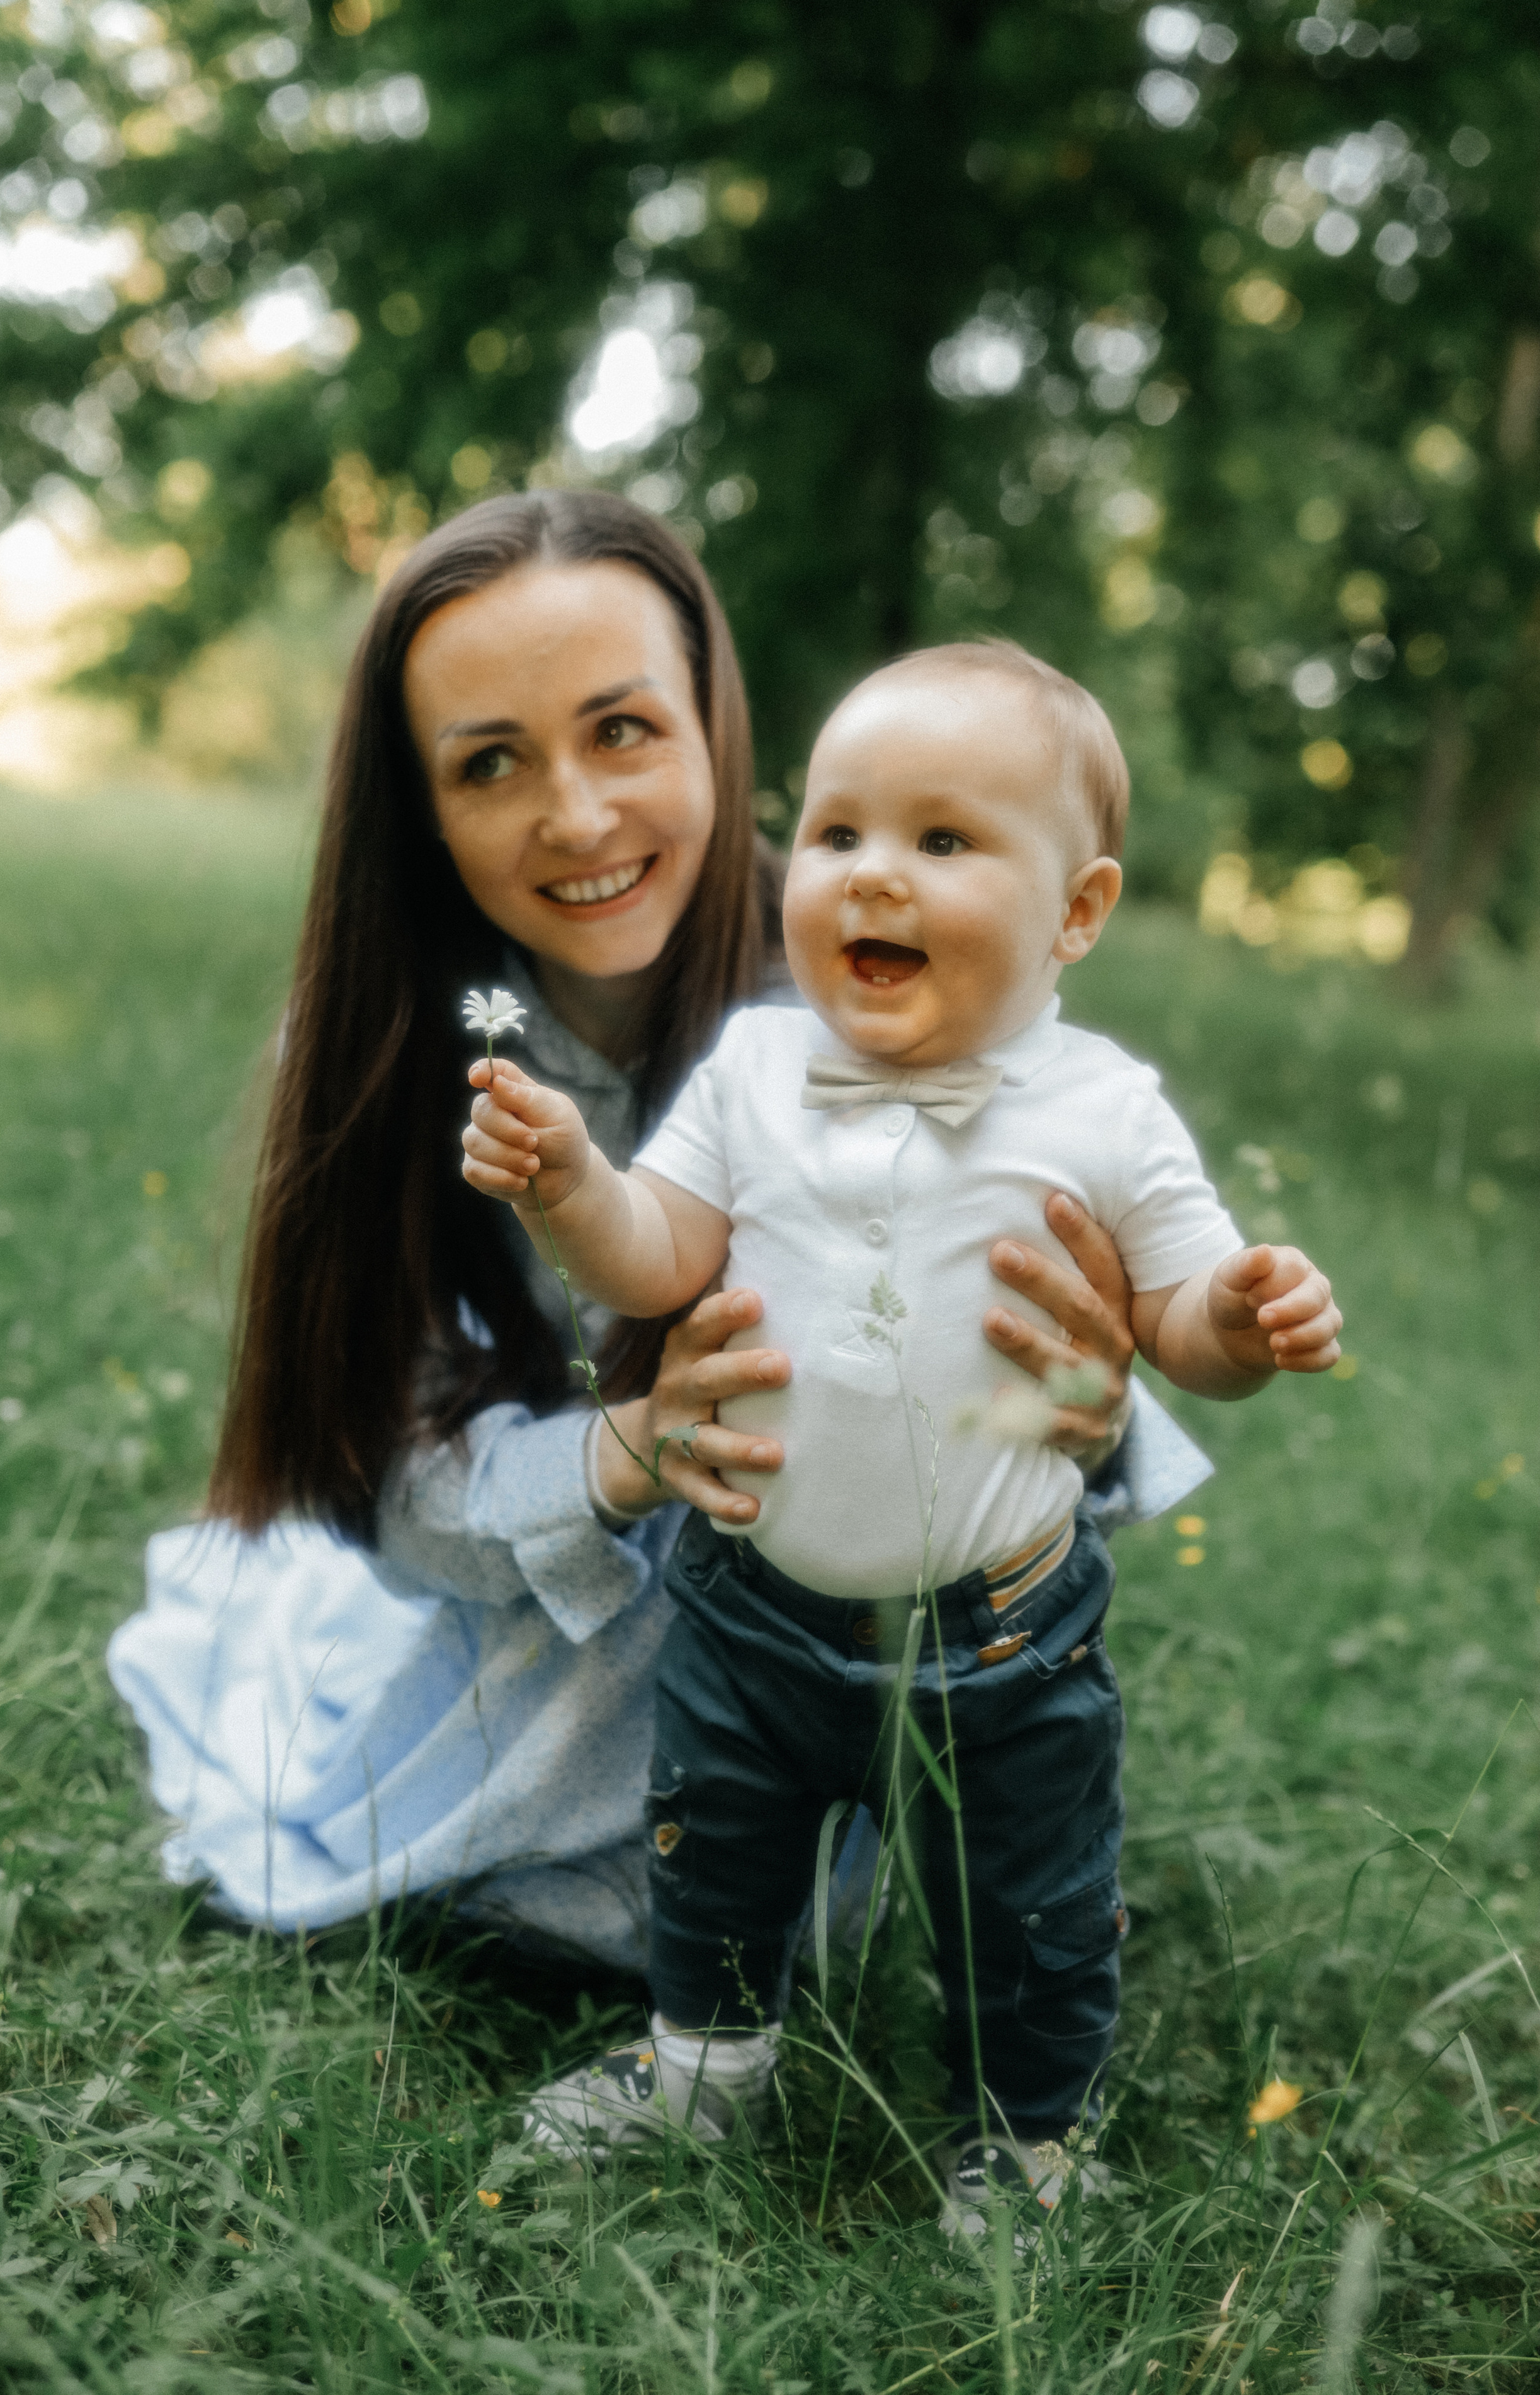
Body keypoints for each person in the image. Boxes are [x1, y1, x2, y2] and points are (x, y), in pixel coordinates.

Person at [107, 498, 1204, 1983]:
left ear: (711, 729)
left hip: (854, 1595)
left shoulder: (880, 978)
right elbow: (377, 1472)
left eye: (622, 731)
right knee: (534, 1872)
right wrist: (621, 1455)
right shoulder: (394, 1034)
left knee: (835, 1893)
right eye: (491, 762)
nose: (575, 815)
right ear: (420, 808)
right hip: (565, 1592)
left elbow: (1074, 1412)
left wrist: (1075, 1392)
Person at [461, 638, 1340, 2217]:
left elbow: (1173, 1320)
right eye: (839, 831)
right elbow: (660, 1250)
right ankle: (704, 2067)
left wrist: (1243, 1318)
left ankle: (1021, 2131)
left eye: (942, 842)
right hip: (751, 1604)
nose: (873, 877)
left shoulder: (1102, 1111)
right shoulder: (754, 1064)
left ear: (1075, 913)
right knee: (710, 1843)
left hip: (995, 1640)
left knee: (1024, 1897)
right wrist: (575, 1187)